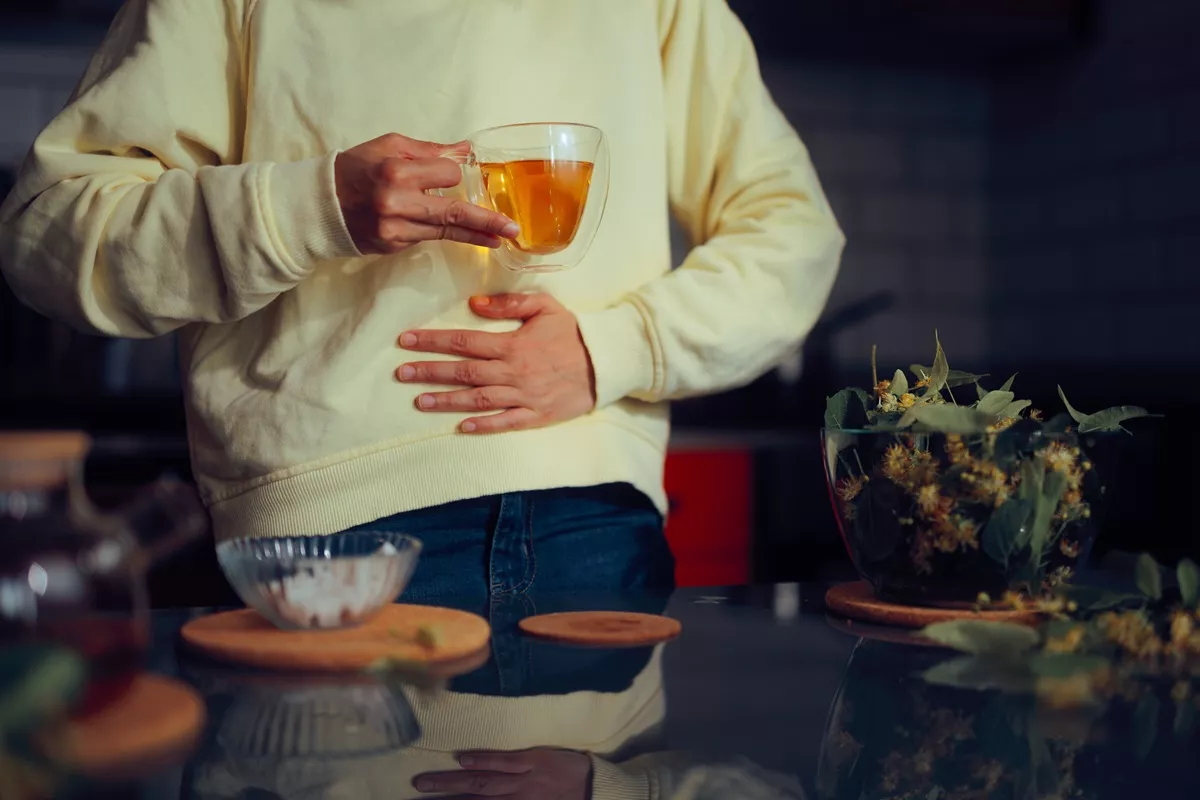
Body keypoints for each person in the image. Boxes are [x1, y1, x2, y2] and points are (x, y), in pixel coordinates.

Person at [0, 0, 844, 601]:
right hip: (322, 536)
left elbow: (797, 235)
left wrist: (612, 351)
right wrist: (315, 208)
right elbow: (47, 231)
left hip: (589, 529)